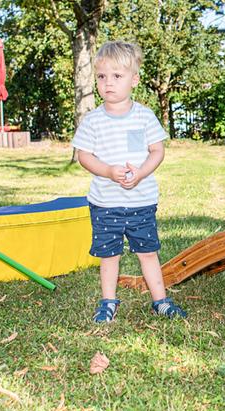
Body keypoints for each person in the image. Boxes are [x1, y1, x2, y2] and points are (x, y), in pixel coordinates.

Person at [73, 41, 186, 323]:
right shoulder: (93, 121)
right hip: (105, 204)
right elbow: (84, 156)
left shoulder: (144, 116)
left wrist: (141, 173)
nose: (108, 83)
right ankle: (108, 302)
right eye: (101, 77)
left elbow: (157, 151)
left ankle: (160, 300)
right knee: (109, 256)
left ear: (134, 79)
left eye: (117, 76)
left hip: (141, 202)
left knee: (148, 253)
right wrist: (108, 171)